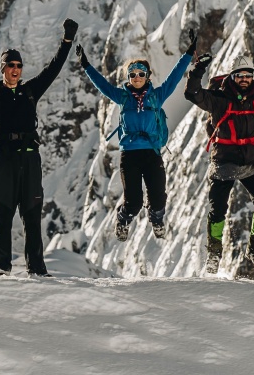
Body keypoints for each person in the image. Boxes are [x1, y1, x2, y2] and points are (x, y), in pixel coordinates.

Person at [0, 17, 77, 277]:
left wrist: (67, 40)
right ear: (3, 68)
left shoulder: (31, 91)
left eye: (19, 65)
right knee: (4, 214)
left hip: (30, 160)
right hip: (4, 161)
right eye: (11, 65)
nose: (16, 69)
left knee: (32, 215)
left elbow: (53, 68)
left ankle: (37, 269)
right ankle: (1, 266)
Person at [183, 38, 254, 274]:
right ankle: (213, 255)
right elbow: (192, 93)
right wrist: (198, 68)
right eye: (240, 75)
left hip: (250, 163)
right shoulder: (219, 100)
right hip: (224, 163)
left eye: (248, 75)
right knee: (218, 209)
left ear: (252, 77)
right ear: (232, 76)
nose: (244, 79)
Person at [76, 35, 193, 241]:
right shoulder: (122, 97)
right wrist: (86, 65)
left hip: (151, 153)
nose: (137, 77)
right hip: (129, 155)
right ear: (128, 77)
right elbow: (102, 85)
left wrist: (188, 54)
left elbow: (174, 77)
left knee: (158, 198)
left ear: (148, 76)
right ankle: (122, 220)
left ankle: (157, 220)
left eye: (141, 73)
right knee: (134, 202)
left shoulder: (156, 96)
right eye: (132, 74)